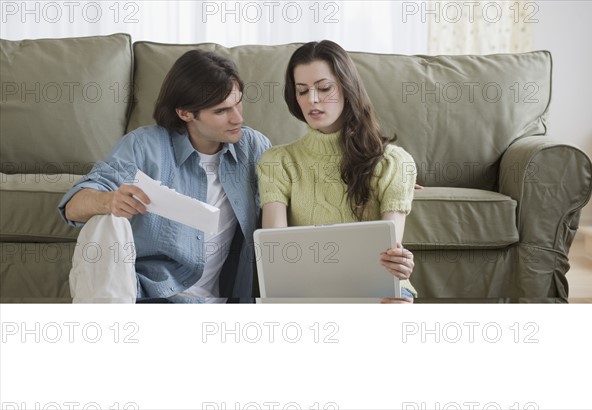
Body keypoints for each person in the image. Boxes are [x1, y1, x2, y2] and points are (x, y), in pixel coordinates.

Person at [59, 50, 271, 303]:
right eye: (221, 111)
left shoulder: (253, 147)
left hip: (221, 304)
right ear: (185, 113)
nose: (238, 118)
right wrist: (110, 201)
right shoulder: (144, 146)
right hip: (151, 299)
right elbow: (73, 206)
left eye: (238, 103)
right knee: (104, 221)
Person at [257, 40, 417, 301]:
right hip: (306, 293)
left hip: (377, 290)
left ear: (347, 88)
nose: (313, 100)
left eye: (324, 88)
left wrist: (400, 264)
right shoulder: (276, 161)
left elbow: (387, 253)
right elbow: (276, 256)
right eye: (302, 90)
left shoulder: (394, 162)